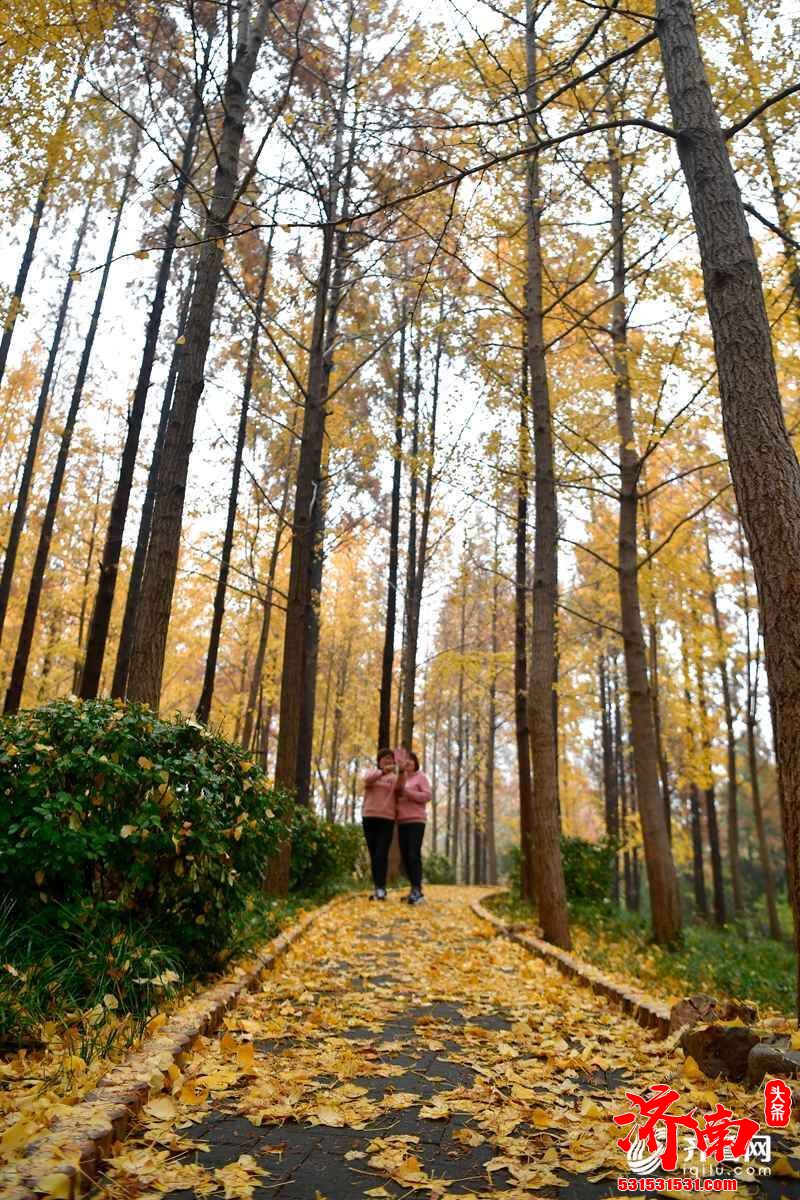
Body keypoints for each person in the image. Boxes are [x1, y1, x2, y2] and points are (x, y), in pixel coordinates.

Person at [361, 748, 398, 900]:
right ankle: (377, 887)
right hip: (369, 816)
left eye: (390, 758)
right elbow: (367, 780)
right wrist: (382, 772)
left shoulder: (395, 778)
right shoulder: (372, 773)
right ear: (379, 761)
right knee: (373, 853)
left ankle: (381, 888)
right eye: (384, 758)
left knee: (381, 854)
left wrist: (399, 772)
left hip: (387, 818)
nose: (387, 760)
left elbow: (402, 789)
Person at [396, 749, 431, 905]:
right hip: (401, 821)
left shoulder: (421, 777)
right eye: (406, 760)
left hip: (416, 820)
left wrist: (407, 793)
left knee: (413, 854)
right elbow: (396, 793)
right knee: (404, 857)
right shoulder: (400, 778)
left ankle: (417, 890)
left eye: (411, 760)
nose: (408, 762)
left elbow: (427, 796)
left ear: (416, 763)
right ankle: (413, 890)